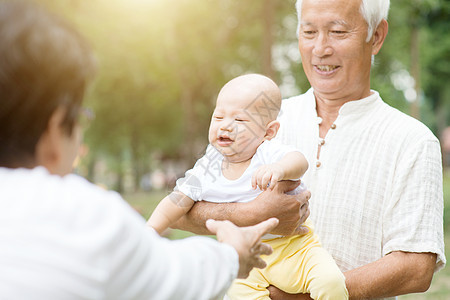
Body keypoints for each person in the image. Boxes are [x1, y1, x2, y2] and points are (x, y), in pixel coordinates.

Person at [0, 1, 280, 299]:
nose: (226, 126)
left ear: (269, 132)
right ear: (55, 132)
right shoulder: (83, 218)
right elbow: (177, 275)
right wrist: (232, 253)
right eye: (81, 116)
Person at [173, 0, 446, 299]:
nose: (320, 48)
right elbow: (180, 210)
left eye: (338, 31)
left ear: (376, 36)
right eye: (309, 31)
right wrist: (250, 213)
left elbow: (416, 266)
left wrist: (308, 296)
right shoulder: (260, 123)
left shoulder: (413, 141)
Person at [147, 74, 348, 299]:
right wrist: (150, 232)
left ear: (268, 132)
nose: (226, 126)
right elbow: (176, 201)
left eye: (240, 121)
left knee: (331, 282)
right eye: (219, 116)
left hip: (295, 250)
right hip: (246, 260)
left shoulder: (267, 152)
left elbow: (300, 161)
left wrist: (279, 169)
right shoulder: (207, 166)